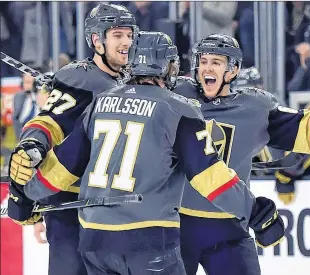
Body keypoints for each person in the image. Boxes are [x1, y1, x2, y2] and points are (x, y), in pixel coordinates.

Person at [10, 31, 284, 275]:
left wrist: (23, 194)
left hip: (95, 239)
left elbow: (62, 167)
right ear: (168, 66)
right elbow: (210, 177)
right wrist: (255, 210)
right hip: (148, 240)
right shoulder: (180, 108)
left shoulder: (101, 103)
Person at [173, 34, 310, 275]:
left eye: (216, 62)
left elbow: (307, 127)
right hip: (176, 224)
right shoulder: (176, 96)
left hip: (229, 225)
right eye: (204, 61)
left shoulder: (253, 109)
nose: (207, 68)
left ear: (233, 69)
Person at [7, 4, 138, 275]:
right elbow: (48, 122)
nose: (126, 42)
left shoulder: (142, 79)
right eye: (117, 35)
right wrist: (34, 144)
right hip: (72, 207)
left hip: (122, 210)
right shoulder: (79, 78)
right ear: (96, 40)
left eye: (129, 34)